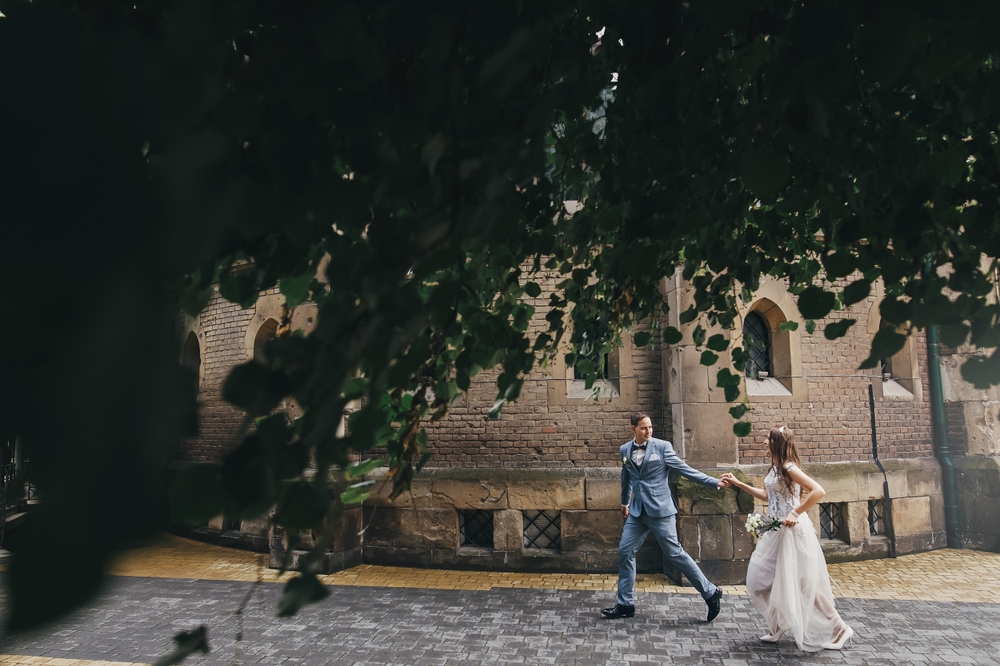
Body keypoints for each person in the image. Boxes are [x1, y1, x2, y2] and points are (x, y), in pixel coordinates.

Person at [721, 426, 854, 651]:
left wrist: (796, 512)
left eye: (768, 439)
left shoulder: (789, 467)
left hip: (792, 531)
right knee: (757, 580)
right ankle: (780, 622)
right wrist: (739, 484)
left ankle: (839, 627)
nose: (764, 442)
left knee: (803, 582)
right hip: (775, 530)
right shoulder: (774, 468)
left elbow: (818, 490)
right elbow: (767, 495)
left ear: (777, 443)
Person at [602, 411, 730, 622]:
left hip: (661, 511)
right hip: (637, 511)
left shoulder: (662, 447)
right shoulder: (625, 449)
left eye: (650, 427)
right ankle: (625, 604)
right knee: (625, 550)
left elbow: (685, 469)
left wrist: (714, 482)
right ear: (633, 429)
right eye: (644, 428)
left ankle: (710, 592)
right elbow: (626, 478)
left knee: (674, 553)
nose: (649, 431)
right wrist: (625, 503)